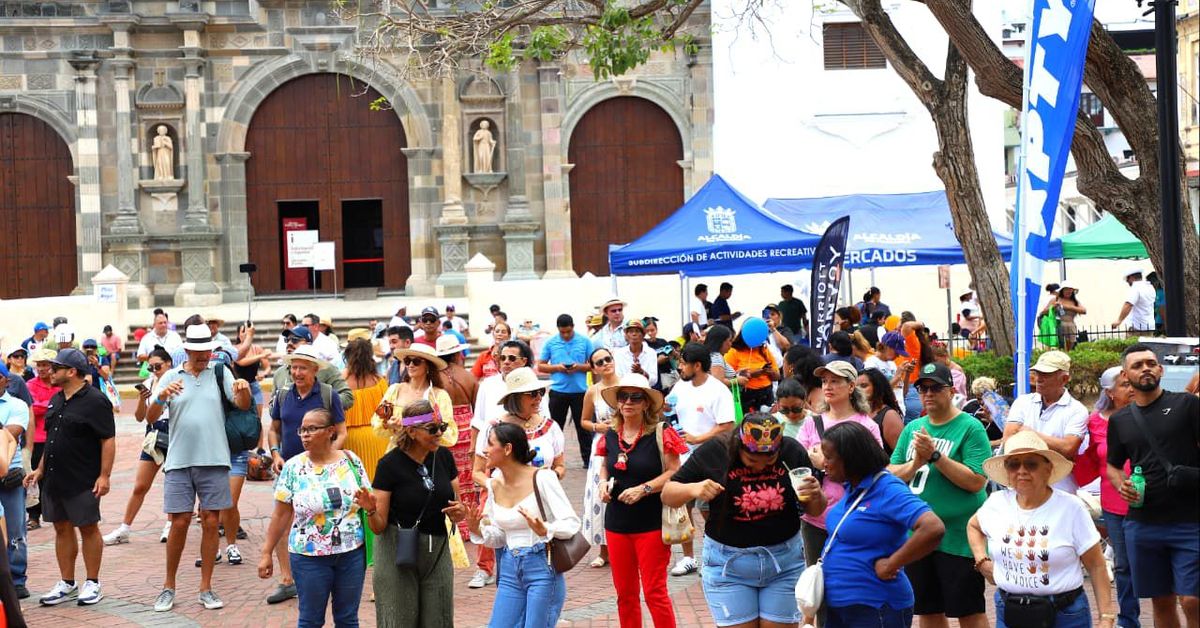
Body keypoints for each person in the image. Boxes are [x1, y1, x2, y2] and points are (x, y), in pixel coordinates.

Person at [663, 412, 826, 627]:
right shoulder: (716, 451)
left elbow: (815, 510)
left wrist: (815, 494)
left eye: (769, 460)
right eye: (751, 460)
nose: (760, 466)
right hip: (728, 565)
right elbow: (668, 493)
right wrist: (694, 488)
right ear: (738, 445)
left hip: (783, 562)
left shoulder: (791, 451)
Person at [145, 325, 252, 612]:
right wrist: (161, 395)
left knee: (210, 521)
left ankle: (206, 587)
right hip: (179, 460)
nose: (205, 354)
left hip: (215, 458)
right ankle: (168, 586)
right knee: (178, 523)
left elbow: (242, 404)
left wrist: (242, 391)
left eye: (208, 349)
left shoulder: (220, 372)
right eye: (199, 350)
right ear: (188, 350)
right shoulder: (170, 375)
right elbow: (150, 416)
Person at [968, 432, 1118, 628]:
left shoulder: (1071, 508)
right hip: (1009, 610)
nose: (1021, 470)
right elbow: (973, 525)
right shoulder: (996, 503)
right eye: (1014, 464)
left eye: (1031, 463)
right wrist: (981, 560)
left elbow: (1097, 566)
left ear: (1048, 469)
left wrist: (1106, 617)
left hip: (1064, 614)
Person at [887, 363, 992, 628]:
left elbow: (977, 481)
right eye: (923, 388)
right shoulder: (913, 428)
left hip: (957, 536)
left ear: (952, 390)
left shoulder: (970, 427)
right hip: (919, 535)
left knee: (968, 611)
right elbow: (890, 475)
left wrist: (936, 456)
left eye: (935, 388)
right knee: (928, 610)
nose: (928, 394)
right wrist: (915, 464)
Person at [1106, 343, 1200, 628]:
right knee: (1160, 601)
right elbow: (1112, 465)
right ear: (1125, 376)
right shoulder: (1120, 420)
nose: (1145, 368)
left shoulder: (1188, 405)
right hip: (1143, 523)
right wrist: (1122, 485)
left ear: (1160, 369)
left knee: (1192, 600)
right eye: (1137, 365)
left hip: (1190, 520)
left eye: (1150, 363)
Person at [819, 421, 946, 627]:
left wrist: (892, 563)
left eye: (829, 457)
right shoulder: (852, 488)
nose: (824, 462)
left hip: (876, 605)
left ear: (850, 458)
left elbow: (933, 527)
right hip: (841, 605)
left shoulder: (887, 488)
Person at [258, 408, 371, 627]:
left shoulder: (351, 460)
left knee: (348, 619)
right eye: (302, 430)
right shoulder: (293, 467)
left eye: (312, 429)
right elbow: (281, 514)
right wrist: (266, 552)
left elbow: (367, 499)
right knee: (310, 620)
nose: (304, 435)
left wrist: (371, 506)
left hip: (351, 553)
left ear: (330, 431)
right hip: (309, 556)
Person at [356, 399, 464, 626]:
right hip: (397, 549)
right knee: (399, 620)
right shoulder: (389, 465)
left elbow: (457, 504)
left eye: (441, 427)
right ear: (412, 432)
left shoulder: (444, 456)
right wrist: (371, 509)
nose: (439, 434)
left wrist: (459, 512)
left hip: (437, 548)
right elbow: (378, 526)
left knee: (440, 619)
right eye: (432, 429)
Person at [23, 348, 115, 606]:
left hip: (83, 478)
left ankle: (93, 582)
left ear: (72, 372)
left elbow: (107, 439)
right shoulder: (56, 400)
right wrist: (40, 469)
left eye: (55, 368)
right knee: (61, 528)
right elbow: (52, 440)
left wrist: (104, 476)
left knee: (87, 527)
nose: (49, 372)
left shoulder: (96, 401)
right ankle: (67, 582)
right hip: (53, 478)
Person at [467, 422, 582, 628]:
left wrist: (545, 529)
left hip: (542, 568)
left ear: (508, 449)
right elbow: (500, 537)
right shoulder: (494, 482)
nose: (484, 450)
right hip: (510, 569)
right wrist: (476, 528)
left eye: (490, 444)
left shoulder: (543, 477)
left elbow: (572, 523)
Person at [596, 373, 686, 628]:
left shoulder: (661, 431)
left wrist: (644, 489)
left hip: (651, 523)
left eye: (636, 397)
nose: (628, 402)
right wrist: (602, 483)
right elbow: (605, 465)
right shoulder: (611, 434)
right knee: (625, 595)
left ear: (646, 403)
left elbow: (674, 470)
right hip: (617, 523)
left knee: (654, 592)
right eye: (623, 397)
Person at [266, 345, 346, 605]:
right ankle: (287, 579)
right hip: (288, 468)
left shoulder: (327, 394)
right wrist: (276, 454)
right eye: (294, 367)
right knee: (282, 519)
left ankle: (324, 570)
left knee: (321, 517)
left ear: (315, 370)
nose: (297, 372)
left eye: (303, 367)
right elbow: (274, 429)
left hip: (322, 469)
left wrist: (327, 458)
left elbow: (341, 432)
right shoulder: (282, 394)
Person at [467, 340, 545, 589]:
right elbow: (478, 422)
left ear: (525, 361)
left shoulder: (544, 421)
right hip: (496, 475)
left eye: (513, 357)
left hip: (534, 497)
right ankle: (485, 569)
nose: (507, 362)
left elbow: (557, 459)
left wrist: (546, 478)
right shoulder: (488, 387)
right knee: (492, 528)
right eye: (503, 358)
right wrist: (493, 483)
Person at [796, 360, 882, 570]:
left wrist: (824, 464)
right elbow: (797, 460)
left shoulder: (866, 425)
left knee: (851, 577)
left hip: (852, 516)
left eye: (835, 381)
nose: (827, 386)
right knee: (816, 585)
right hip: (815, 518)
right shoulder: (812, 423)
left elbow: (874, 471)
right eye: (824, 381)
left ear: (851, 386)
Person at [1073, 366, 1140, 627]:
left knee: (1150, 561)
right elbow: (1083, 456)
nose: (1131, 389)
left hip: (1151, 500)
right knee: (1123, 565)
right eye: (1124, 385)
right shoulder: (1095, 422)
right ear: (1110, 392)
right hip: (1114, 502)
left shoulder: (1146, 415)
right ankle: (1129, 619)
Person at [667, 341, 737, 576]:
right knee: (682, 507)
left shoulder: (718, 390)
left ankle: (717, 553)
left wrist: (699, 439)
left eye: (684, 363)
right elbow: (670, 409)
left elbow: (728, 426)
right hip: (683, 456)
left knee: (709, 508)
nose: (680, 367)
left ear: (697, 365)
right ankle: (688, 557)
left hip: (712, 458)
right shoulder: (680, 386)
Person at [103, 347, 175, 547]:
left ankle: (170, 523)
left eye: (157, 366)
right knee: (140, 485)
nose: (154, 370)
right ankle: (124, 528)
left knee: (172, 481)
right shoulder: (148, 382)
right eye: (150, 367)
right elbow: (139, 417)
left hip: (173, 432)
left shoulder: (177, 380)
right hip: (153, 434)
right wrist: (143, 400)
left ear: (168, 363)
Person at [1003, 350, 1089, 492]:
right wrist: (1053, 447)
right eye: (1037, 373)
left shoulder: (1077, 410)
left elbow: (1068, 448)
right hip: (1022, 486)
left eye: (1046, 374)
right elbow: (1009, 440)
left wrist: (1030, 434)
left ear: (1064, 379)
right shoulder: (1023, 402)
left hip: (1060, 490)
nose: (1038, 379)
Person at [472, 367, 566, 484]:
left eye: (541, 391)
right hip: (507, 498)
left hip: (541, 496)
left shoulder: (550, 427)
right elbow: (477, 472)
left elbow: (560, 466)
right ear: (515, 397)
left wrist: (551, 477)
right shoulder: (493, 428)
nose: (539, 398)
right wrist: (495, 487)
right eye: (532, 393)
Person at [375, 343, 458, 453]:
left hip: (426, 456)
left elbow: (449, 434)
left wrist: (425, 428)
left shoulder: (439, 396)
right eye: (408, 361)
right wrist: (389, 424)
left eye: (417, 362)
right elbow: (377, 422)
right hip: (397, 454)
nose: (411, 365)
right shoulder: (394, 390)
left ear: (428, 366)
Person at [579, 347, 619, 568]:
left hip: (627, 444)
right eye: (599, 362)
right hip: (601, 446)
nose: (605, 363)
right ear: (593, 368)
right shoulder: (592, 391)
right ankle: (604, 551)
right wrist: (597, 426)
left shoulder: (627, 383)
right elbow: (584, 420)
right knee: (599, 497)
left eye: (607, 359)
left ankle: (625, 547)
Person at [536, 314, 594, 466]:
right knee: (554, 428)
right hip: (558, 391)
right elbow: (540, 365)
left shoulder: (585, 341)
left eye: (568, 331)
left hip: (580, 392)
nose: (566, 335)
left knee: (584, 429)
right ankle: (552, 460)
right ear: (558, 330)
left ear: (573, 326)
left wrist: (579, 367)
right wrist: (557, 367)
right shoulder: (551, 343)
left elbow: (594, 365)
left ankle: (588, 461)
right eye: (563, 332)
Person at [0, 364, 30, 599]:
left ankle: (17, 579)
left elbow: (11, 434)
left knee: (16, 529)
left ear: (5, 380)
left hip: (10, 473)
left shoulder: (18, 405)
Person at [273, 325, 354, 410]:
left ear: (308, 344)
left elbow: (347, 398)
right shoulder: (279, 373)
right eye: (287, 340)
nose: (289, 343)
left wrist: (319, 403)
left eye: (295, 340)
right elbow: (273, 403)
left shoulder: (327, 369)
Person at [342, 338, 390, 480]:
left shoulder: (340, 382)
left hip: (350, 440)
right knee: (378, 482)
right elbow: (388, 411)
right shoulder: (379, 381)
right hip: (378, 437)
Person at [24, 348, 59, 532]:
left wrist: (45, 407)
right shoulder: (30, 384)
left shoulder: (59, 384)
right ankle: (34, 516)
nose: (42, 369)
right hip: (36, 438)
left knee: (56, 476)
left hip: (57, 437)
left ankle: (56, 513)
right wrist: (51, 406)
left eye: (45, 365)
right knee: (35, 477)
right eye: (39, 365)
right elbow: (33, 408)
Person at [726, 318, 780, 414]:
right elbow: (728, 376)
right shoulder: (733, 351)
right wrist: (751, 373)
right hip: (747, 396)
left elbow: (777, 376)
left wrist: (770, 372)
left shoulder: (764, 350)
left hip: (767, 395)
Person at [857, 368, 903, 455]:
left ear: (877, 387)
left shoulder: (889, 416)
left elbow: (900, 455)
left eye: (864, 386)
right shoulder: (856, 412)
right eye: (856, 387)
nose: (858, 390)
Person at [612, 317, 657, 387]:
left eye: (637, 331)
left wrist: (642, 373)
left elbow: (654, 380)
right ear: (626, 335)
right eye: (630, 331)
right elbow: (618, 377)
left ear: (643, 335)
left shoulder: (651, 353)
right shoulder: (619, 354)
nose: (634, 334)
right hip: (625, 390)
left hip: (645, 391)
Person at [1040, 282, 1086, 351]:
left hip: (1071, 326)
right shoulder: (1055, 300)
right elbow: (1043, 312)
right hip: (1058, 326)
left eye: (1070, 289)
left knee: (1069, 348)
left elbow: (1083, 311)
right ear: (1062, 291)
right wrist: (1053, 307)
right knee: (1058, 346)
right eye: (1066, 289)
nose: (1069, 291)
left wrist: (1068, 307)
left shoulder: (1075, 302)